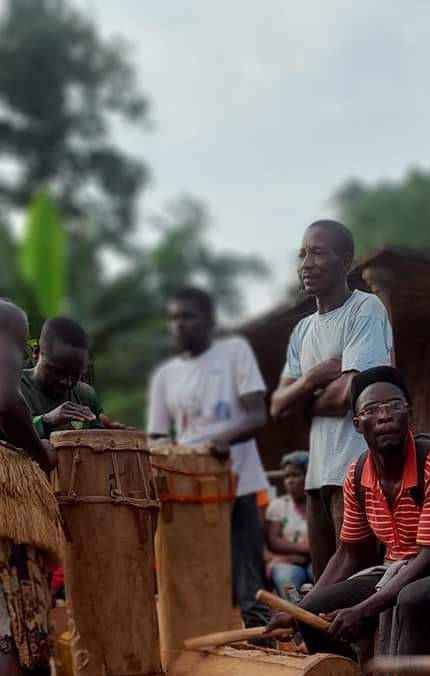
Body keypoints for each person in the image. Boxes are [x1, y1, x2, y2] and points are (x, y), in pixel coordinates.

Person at [270, 367, 430, 676]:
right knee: (313, 614)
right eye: (371, 410)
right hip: (397, 568)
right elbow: (349, 554)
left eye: (394, 406)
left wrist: (363, 610)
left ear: (410, 414)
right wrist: (298, 612)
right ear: (356, 424)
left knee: (413, 599)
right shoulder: (357, 474)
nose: (384, 417)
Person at [15, 318, 120, 676]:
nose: (67, 381)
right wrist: (44, 421)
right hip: (28, 519)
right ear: (38, 354)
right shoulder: (15, 388)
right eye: (58, 370)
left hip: (84, 517)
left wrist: (108, 431)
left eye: (76, 374)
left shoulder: (85, 395)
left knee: (104, 605)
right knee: (34, 617)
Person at [271, 221, 393, 576]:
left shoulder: (365, 310)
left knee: (357, 580)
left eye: (319, 252)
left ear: (346, 261)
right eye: (303, 253)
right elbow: (278, 405)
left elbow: (352, 393)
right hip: (317, 475)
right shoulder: (303, 330)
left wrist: (303, 402)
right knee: (325, 580)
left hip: (356, 471)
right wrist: (313, 378)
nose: (306, 263)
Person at [147, 287, 269, 626]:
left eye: (188, 316)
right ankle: (203, 664)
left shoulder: (234, 352)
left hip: (240, 484)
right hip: (189, 493)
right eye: (174, 318)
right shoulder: (165, 376)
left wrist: (222, 441)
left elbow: (257, 414)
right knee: (197, 579)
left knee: (250, 583)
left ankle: (267, 658)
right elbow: (157, 436)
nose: (179, 325)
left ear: (210, 320)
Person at [0, 300, 64, 676]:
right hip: (6, 513)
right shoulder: (8, 319)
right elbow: (5, 399)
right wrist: (41, 452)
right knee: (14, 635)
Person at [265, 452, 313, 597]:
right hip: (287, 562)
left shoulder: (318, 506)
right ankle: (294, 618)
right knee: (287, 580)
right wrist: (305, 550)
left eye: (295, 475)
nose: (289, 481)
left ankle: (320, 618)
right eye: (286, 477)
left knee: (324, 578)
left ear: (308, 476)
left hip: (314, 561)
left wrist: (303, 555)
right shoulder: (278, 505)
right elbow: (273, 542)